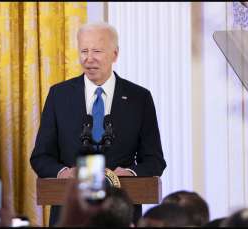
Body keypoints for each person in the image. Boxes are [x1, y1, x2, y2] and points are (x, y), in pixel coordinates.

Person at [30, 22, 166, 226]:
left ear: (115, 54)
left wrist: (129, 174)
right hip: (70, 214)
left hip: (121, 214)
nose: (88, 58)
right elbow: (41, 157)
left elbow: (155, 160)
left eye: (97, 51)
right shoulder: (59, 95)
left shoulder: (140, 98)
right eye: (83, 51)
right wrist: (64, 173)